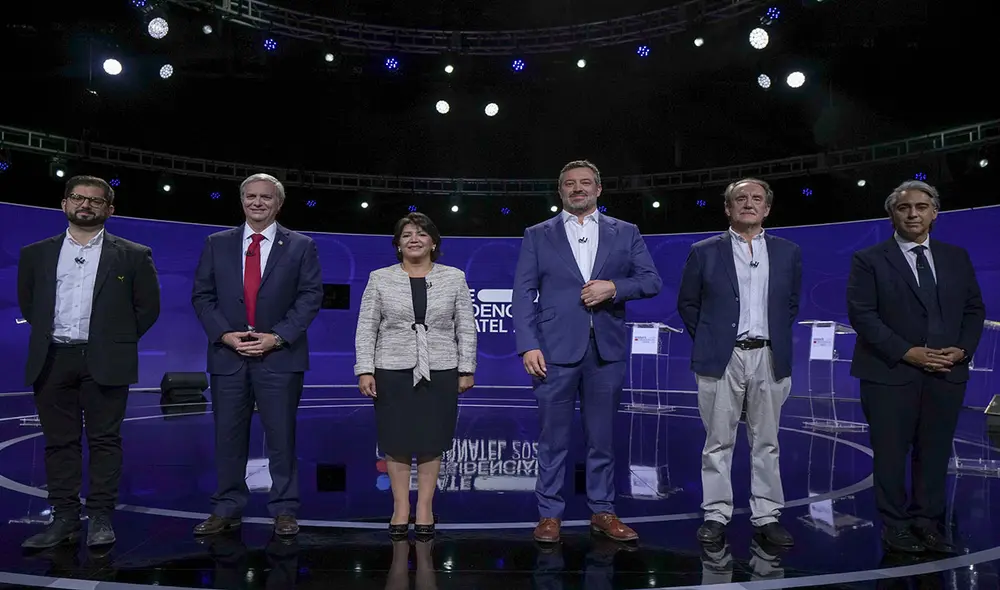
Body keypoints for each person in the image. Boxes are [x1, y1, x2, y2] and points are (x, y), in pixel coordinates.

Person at [512, 160, 662, 544]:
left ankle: (603, 511)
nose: (577, 189)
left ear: (598, 189)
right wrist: (528, 344)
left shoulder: (625, 232)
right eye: (569, 184)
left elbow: (651, 281)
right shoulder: (537, 234)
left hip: (605, 352)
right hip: (553, 351)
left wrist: (613, 287)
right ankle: (549, 516)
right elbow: (523, 293)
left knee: (602, 438)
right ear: (560, 191)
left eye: (585, 183)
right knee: (553, 439)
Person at [17, 175, 161, 549]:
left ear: (109, 210)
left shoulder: (133, 254)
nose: (86, 205)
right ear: (64, 204)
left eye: (96, 201)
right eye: (78, 198)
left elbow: (147, 309)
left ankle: (100, 518)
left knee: (104, 442)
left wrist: (113, 342)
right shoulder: (37, 253)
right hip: (52, 358)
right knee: (59, 443)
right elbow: (29, 304)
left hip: (106, 361)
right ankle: (64, 519)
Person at [847, 180, 985, 554]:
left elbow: (974, 309)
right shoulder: (869, 260)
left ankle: (928, 523)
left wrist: (963, 350)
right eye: (904, 208)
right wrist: (907, 352)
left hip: (947, 372)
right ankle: (896, 526)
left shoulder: (956, 256)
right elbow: (863, 315)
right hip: (889, 373)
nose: (913, 214)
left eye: (921, 207)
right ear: (892, 213)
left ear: (934, 213)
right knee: (891, 455)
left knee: (935, 452)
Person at [191, 173, 323, 538]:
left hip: (280, 357)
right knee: (228, 437)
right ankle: (227, 507)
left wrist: (277, 337)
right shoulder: (217, 243)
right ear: (242, 200)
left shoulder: (300, 245)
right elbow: (202, 296)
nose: (257, 202)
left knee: (282, 438)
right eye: (250, 196)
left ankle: (283, 510)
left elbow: (310, 296)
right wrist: (225, 335)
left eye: (266, 197)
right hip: (227, 357)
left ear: (278, 203)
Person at [676, 178, 801, 547]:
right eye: (740, 199)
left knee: (767, 441)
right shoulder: (704, 251)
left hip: (769, 356)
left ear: (767, 209)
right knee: (717, 442)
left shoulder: (788, 252)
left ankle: (767, 514)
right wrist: (714, 341)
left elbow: (790, 304)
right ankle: (716, 513)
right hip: (721, 358)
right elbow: (688, 304)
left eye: (756, 199)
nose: (749, 203)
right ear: (728, 208)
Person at [354, 212, 477, 540]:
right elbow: (367, 326)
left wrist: (467, 368)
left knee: (430, 440)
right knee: (396, 441)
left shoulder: (454, 277)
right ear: (397, 245)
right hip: (391, 369)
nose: (414, 239)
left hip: (440, 368)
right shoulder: (379, 278)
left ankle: (424, 506)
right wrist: (364, 369)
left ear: (433, 242)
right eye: (406, 234)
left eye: (421, 234)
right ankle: (400, 508)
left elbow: (465, 325)